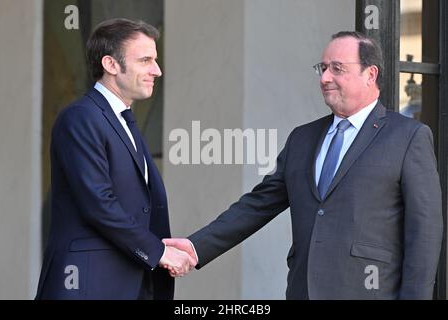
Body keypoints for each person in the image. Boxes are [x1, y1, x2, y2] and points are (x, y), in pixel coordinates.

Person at [163, 31, 443, 299]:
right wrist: (196, 247)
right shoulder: (302, 138)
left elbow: (425, 232)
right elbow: (257, 205)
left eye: (337, 68)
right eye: (322, 68)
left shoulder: (407, 136)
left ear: (370, 74)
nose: (324, 78)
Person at [36, 18, 195, 300]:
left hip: (132, 284)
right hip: (87, 286)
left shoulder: (122, 121)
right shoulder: (80, 118)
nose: (156, 71)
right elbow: (99, 203)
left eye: (155, 60)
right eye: (145, 60)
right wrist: (159, 252)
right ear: (110, 65)